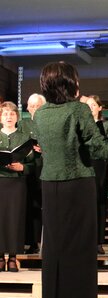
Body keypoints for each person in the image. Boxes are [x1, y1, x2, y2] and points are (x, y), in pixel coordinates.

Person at [33, 61, 108, 298]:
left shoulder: (40, 114)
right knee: (80, 255)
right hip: (77, 185)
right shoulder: (77, 110)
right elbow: (98, 149)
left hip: (49, 185)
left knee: (53, 255)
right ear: (69, 83)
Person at [0, 101, 34, 272]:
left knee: (15, 219)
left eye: (12, 114)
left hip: (16, 183)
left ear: (17, 117)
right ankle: (0, 257)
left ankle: (13, 257)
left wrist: (23, 167)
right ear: (0, 117)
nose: (8, 117)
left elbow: (33, 163)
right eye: (5, 113)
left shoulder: (23, 137)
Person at [86, 95, 108, 255]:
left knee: (99, 203)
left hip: (100, 166)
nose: (90, 108)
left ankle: (98, 241)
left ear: (100, 107)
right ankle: (87, 240)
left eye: (93, 105)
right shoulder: (82, 125)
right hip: (85, 165)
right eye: (88, 105)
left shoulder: (106, 125)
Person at [19, 94, 46, 254]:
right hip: (28, 168)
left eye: (37, 105)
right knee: (30, 204)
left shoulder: (47, 122)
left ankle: (44, 240)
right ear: (28, 108)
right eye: (32, 105)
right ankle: (31, 241)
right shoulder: (23, 124)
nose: (34, 108)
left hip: (46, 167)